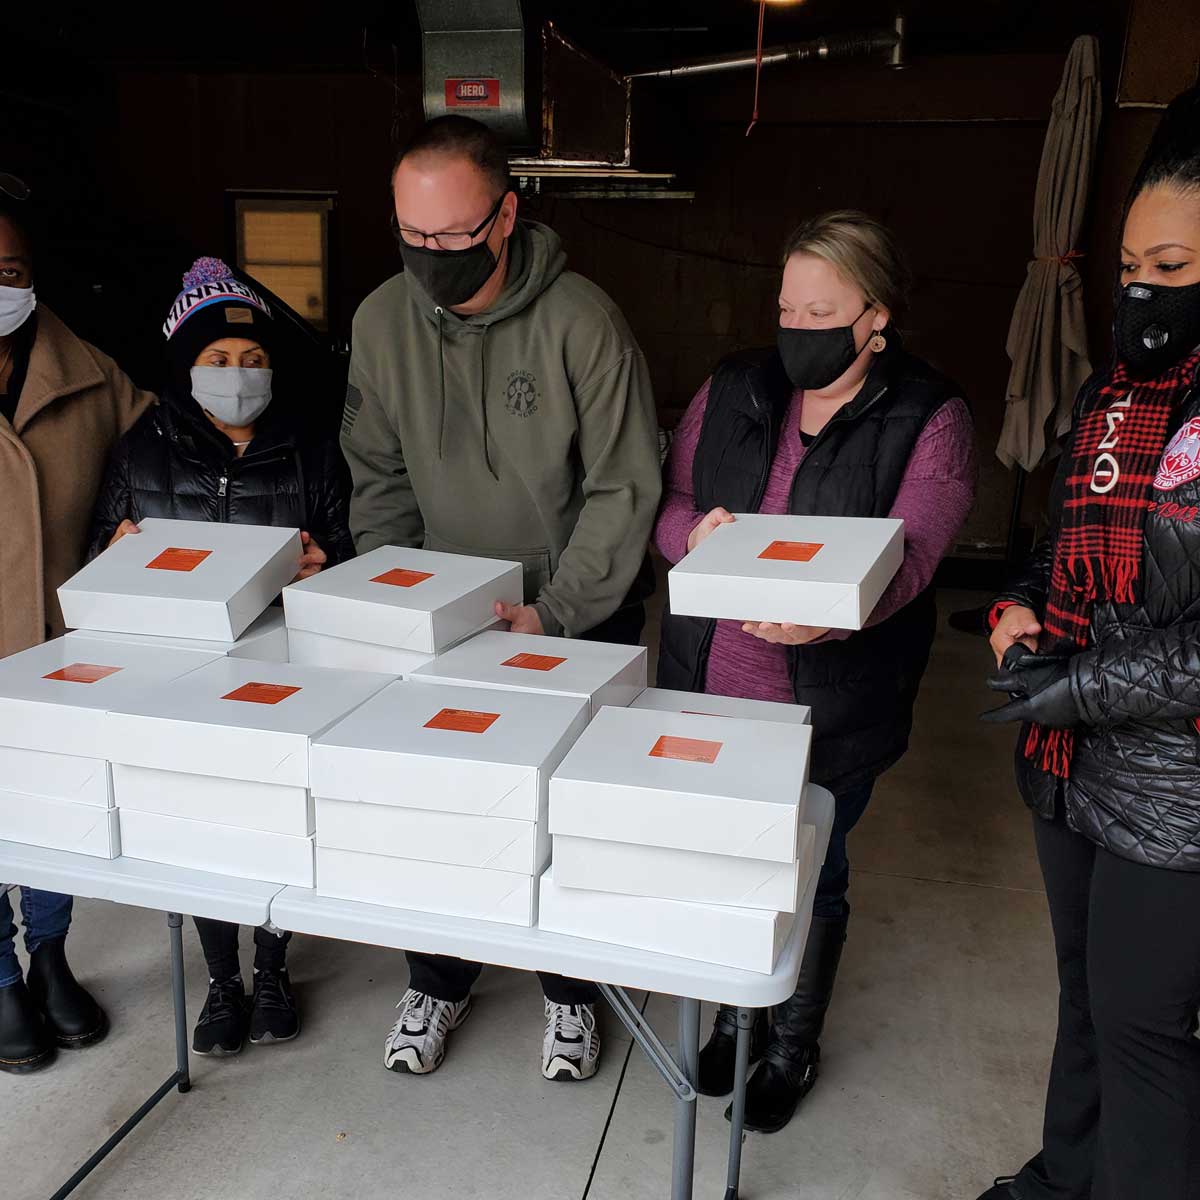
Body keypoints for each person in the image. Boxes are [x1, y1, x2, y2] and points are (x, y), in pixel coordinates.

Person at [343, 115, 661, 1082]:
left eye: (451, 236)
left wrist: (556, 610)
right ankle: (438, 974)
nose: (430, 257)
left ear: (507, 214)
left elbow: (624, 485)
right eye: (413, 236)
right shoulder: (379, 322)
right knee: (439, 805)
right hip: (446, 615)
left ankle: (573, 992)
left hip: (571, 614)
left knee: (564, 816)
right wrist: (409, 599)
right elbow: (378, 474)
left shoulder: (583, 322)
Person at [655, 210, 976, 1133]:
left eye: (822, 311)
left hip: (830, 704)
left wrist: (828, 617)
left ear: (876, 314)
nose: (797, 328)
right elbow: (673, 502)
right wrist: (693, 538)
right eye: (787, 307)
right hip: (712, 683)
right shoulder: (735, 387)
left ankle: (792, 1042)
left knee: (813, 869)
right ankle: (734, 1014)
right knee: (727, 860)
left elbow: (912, 563)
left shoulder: (932, 414)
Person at [976, 86, 1200, 1200]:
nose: (1140, 294)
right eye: (1130, 267)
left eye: (1172, 268)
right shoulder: (1112, 391)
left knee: (1147, 1028)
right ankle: (1068, 1175)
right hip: (1072, 758)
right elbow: (1059, 540)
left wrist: (1072, 685)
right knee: (1083, 992)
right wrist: (1015, 612)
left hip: (1177, 787)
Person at [89, 256, 355, 1058]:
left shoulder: (311, 448)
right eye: (216, 361)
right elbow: (97, 563)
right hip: (184, 672)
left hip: (285, 670)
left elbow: (351, 551)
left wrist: (327, 564)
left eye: (251, 360)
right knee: (201, 823)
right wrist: (114, 553)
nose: (237, 376)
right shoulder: (142, 451)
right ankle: (222, 978)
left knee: (273, 816)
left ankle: (272, 967)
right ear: (184, 367)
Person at [0, 174, 155, 1074]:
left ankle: (50, 954)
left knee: (53, 814)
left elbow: (166, 464)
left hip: (60, 654)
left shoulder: (92, 376)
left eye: (12, 267)